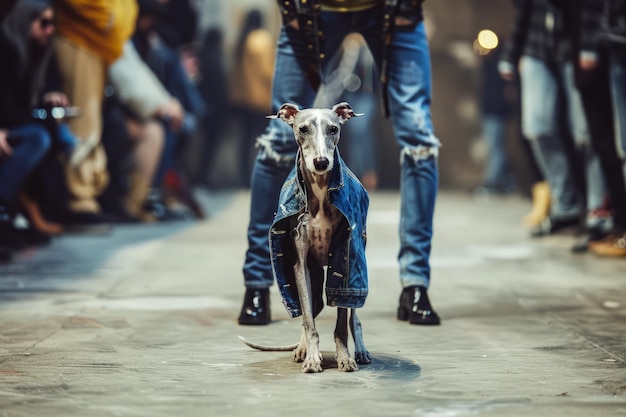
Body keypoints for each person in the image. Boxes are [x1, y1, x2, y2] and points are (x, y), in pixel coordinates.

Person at [238, 0, 441, 326]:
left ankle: (415, 284)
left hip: (391, 6)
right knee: (278, 140)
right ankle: (257, 284)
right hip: (314, 7)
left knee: (420, 141)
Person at [499, 0, 612, 241]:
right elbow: (523, 10)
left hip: (574, 44)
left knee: (585, 133)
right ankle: (565, 206)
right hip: (536, 47)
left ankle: (597, 211)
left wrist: (589, 45)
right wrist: (511, 54)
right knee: (537, 128)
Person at [52, 0, 138, 231]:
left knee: (91, 122)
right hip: (80, 37)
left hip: (95, 43)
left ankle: (86, 195)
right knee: (82, 122)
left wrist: (117, 20)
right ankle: (77, 201)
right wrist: (110, 18)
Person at [0, 0, 75, 260]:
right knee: (39, 137)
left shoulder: (39, 52)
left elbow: (29, 99)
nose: (50, 30)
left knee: (63, 137)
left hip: (15, 123)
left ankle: (33, 212)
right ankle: (8, 211)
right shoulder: (7, 48)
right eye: (43, 23)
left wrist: (49, 97)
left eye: (53, 23)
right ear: (25, 20)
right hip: (10, 125)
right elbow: (8, 107)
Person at [229, 9, 275, 188]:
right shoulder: (261, 39)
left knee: (246, 141)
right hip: (260, 100)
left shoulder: (243, 38)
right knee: (265, 141)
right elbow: (266, 71)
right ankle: (262, 178)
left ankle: (244, 178)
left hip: (243, 99)